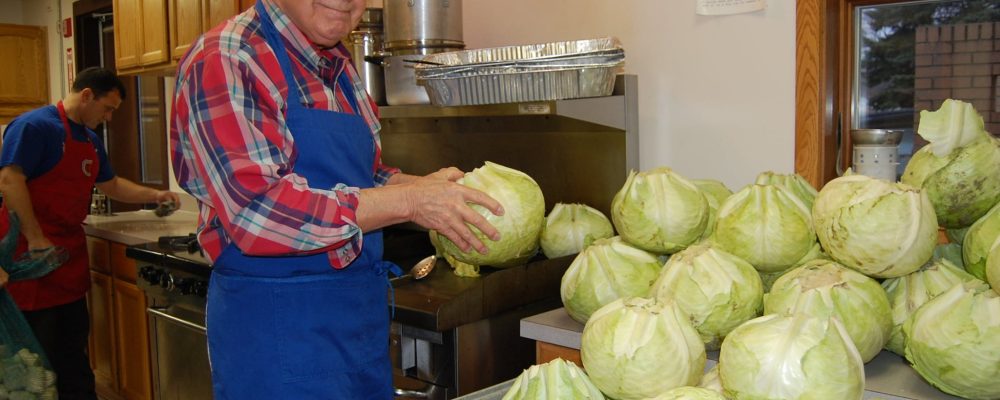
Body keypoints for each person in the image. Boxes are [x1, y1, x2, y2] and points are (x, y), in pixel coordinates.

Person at [170, 0, 503, 399]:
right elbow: (259, 212)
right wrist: (412, 201)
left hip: (357, 328)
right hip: (278, 336)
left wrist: (429, 189)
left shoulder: (338, 66)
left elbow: (366, 178)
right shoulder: (228, 57)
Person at [0, 66, 180, 400]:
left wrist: (154, 195)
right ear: (86, 96)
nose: (109, 117)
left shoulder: (90, 141)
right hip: (31, 260)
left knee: (72, 349)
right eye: (107, 108)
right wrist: (36, 236)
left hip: (67, 260)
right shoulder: (34, 127)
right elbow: (10, 179)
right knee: (35, 358)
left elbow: (110, 184)